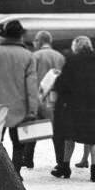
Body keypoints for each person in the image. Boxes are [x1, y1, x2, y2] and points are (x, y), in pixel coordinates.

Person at [50, 36, 95, 181]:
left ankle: (65, 167)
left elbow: (63, 84)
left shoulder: (71, 61)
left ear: (76, 47)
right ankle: (94, 171)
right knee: (94, 138)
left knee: (69, 137)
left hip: (75, 105)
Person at [0, 19, 38, 177]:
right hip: (20, 107)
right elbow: (32, 87)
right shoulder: (28, 55)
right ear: (20, 36)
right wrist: (33, 109)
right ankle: (15, 173)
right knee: (18, 143)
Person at [24, 30, 66, 169]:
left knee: (33, 127)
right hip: (55, 98)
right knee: (58, 132)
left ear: (40, 41)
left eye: (36, 40)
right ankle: (61, 161)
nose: (34, 43)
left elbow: (30, 78)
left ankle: (28, 159)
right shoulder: (60, 56)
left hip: (39, 96)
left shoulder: (34, 56)